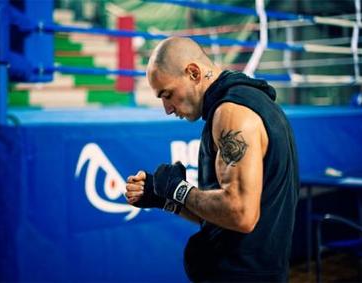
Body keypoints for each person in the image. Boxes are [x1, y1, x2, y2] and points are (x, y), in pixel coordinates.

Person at [125, 37, 299, 282]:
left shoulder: (232, 114)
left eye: (168, 94)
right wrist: (166, 198)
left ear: (194, 73)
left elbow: (240, 213)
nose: (167, 108)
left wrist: (178, 188)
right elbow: (222, 218)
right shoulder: (241, 105)